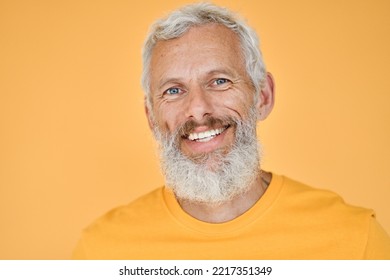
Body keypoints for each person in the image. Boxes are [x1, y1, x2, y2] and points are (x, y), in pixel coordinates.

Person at [73, 2, 390, 259]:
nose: (198, 109)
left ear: (263, 96)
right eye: (173, 90)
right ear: (151, 118)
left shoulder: (354, 240)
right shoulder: (102, 252)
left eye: (220, 81)